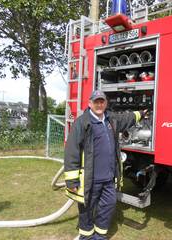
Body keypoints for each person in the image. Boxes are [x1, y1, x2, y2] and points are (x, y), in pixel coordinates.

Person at [64, 90, 146, 240]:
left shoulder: (111, 120)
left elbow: (126, 118)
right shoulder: (82, 123)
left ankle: (100, 236)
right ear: (90, 103)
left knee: (108, 205)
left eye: (102, 101)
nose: (99, 104)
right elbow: (71, 152)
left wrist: (141, 113)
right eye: (96, 102)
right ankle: (86, 236)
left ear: (106, 103)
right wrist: (71, 180)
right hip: (91, 178)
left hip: (108, 178)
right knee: (86, 209)